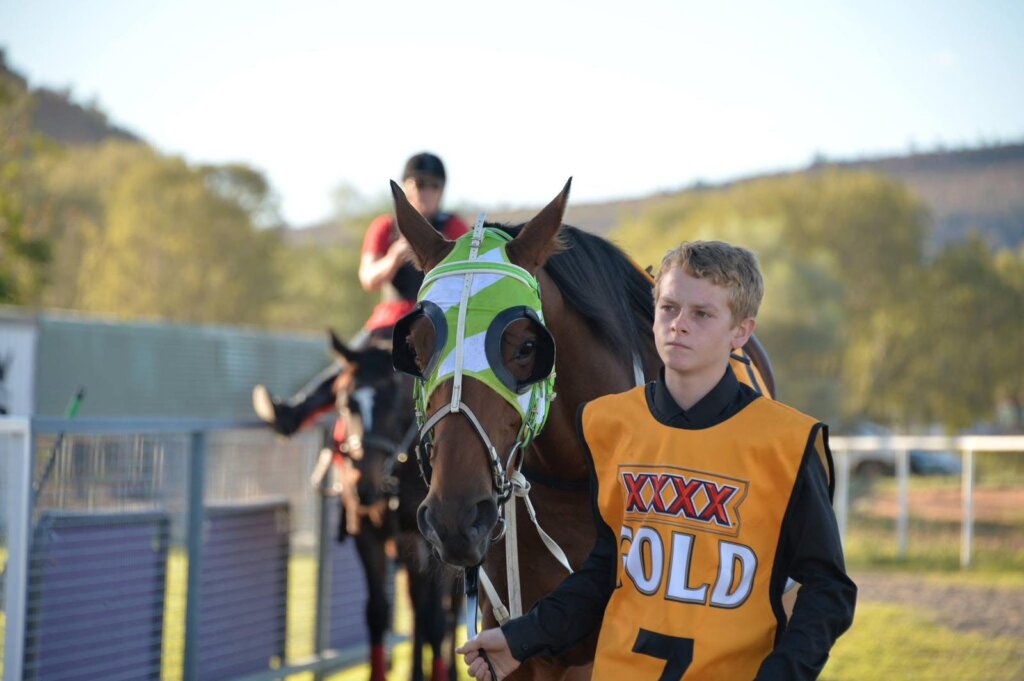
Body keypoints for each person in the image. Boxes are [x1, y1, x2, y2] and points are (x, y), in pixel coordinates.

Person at [458, 241, 856, 680]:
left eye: (702, 314)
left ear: (741, 331)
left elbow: (827, 589)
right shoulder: (607, 424)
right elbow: (605, 572)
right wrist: (521, 638)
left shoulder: (788, 442)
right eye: (668, 308)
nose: (678, 325)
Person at [252, 152, 470, 434]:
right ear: (405, 186)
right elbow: (368, 278)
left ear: (442, 191)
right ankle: (293, 413)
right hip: (390, 322)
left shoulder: (453, 228)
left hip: (436, 319)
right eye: (417, 182)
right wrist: (393, 257)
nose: (424, 191)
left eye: (433, 185)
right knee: (351, 364)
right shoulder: (387, 228)